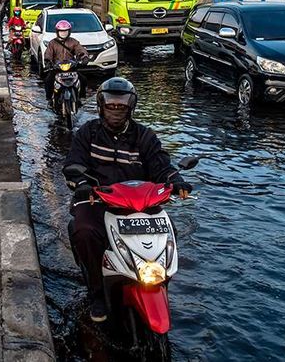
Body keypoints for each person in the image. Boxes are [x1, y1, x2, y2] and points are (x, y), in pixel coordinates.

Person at [64, 77, 193, 322]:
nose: (115, 108)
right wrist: (81, 184)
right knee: (84, 232)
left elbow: (161, 165)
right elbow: (73, 163)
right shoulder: (87, 133)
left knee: (170, 232)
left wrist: (176, 181)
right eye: (110, 103)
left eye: (121, 104)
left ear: (131, 106)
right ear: (101, 105)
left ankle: (160, 282)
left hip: (139, 205)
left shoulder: (144, 136)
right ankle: (97, 292)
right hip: (97, 200)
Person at [43, 19, 89, 104]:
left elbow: (80, 50)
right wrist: (48, 62)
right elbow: (48, 54)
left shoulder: (73, 42)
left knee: (83, 79)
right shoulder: (52, 43)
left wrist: (84, 57)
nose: (63, 33)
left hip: (71, 67)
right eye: (61, 31)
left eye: (65, 31)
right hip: (57, 68)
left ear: (69, 32)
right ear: (57, 32)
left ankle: (81, 97)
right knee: (48, 80)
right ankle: (49, 99)